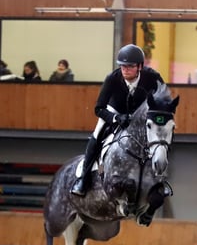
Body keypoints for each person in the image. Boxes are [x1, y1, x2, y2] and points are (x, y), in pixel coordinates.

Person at [70, 44, 165, 196]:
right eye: (122, 66)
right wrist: (115, 118)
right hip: (115, 111)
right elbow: (98, 109)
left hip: (141, 114)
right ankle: (83, 179)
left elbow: (163, 98)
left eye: (130, 66)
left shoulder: (153, 77)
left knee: (160, 139)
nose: (125, 69)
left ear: (140, 66)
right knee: (97, 134)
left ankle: (160, 180)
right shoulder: (112, 79)